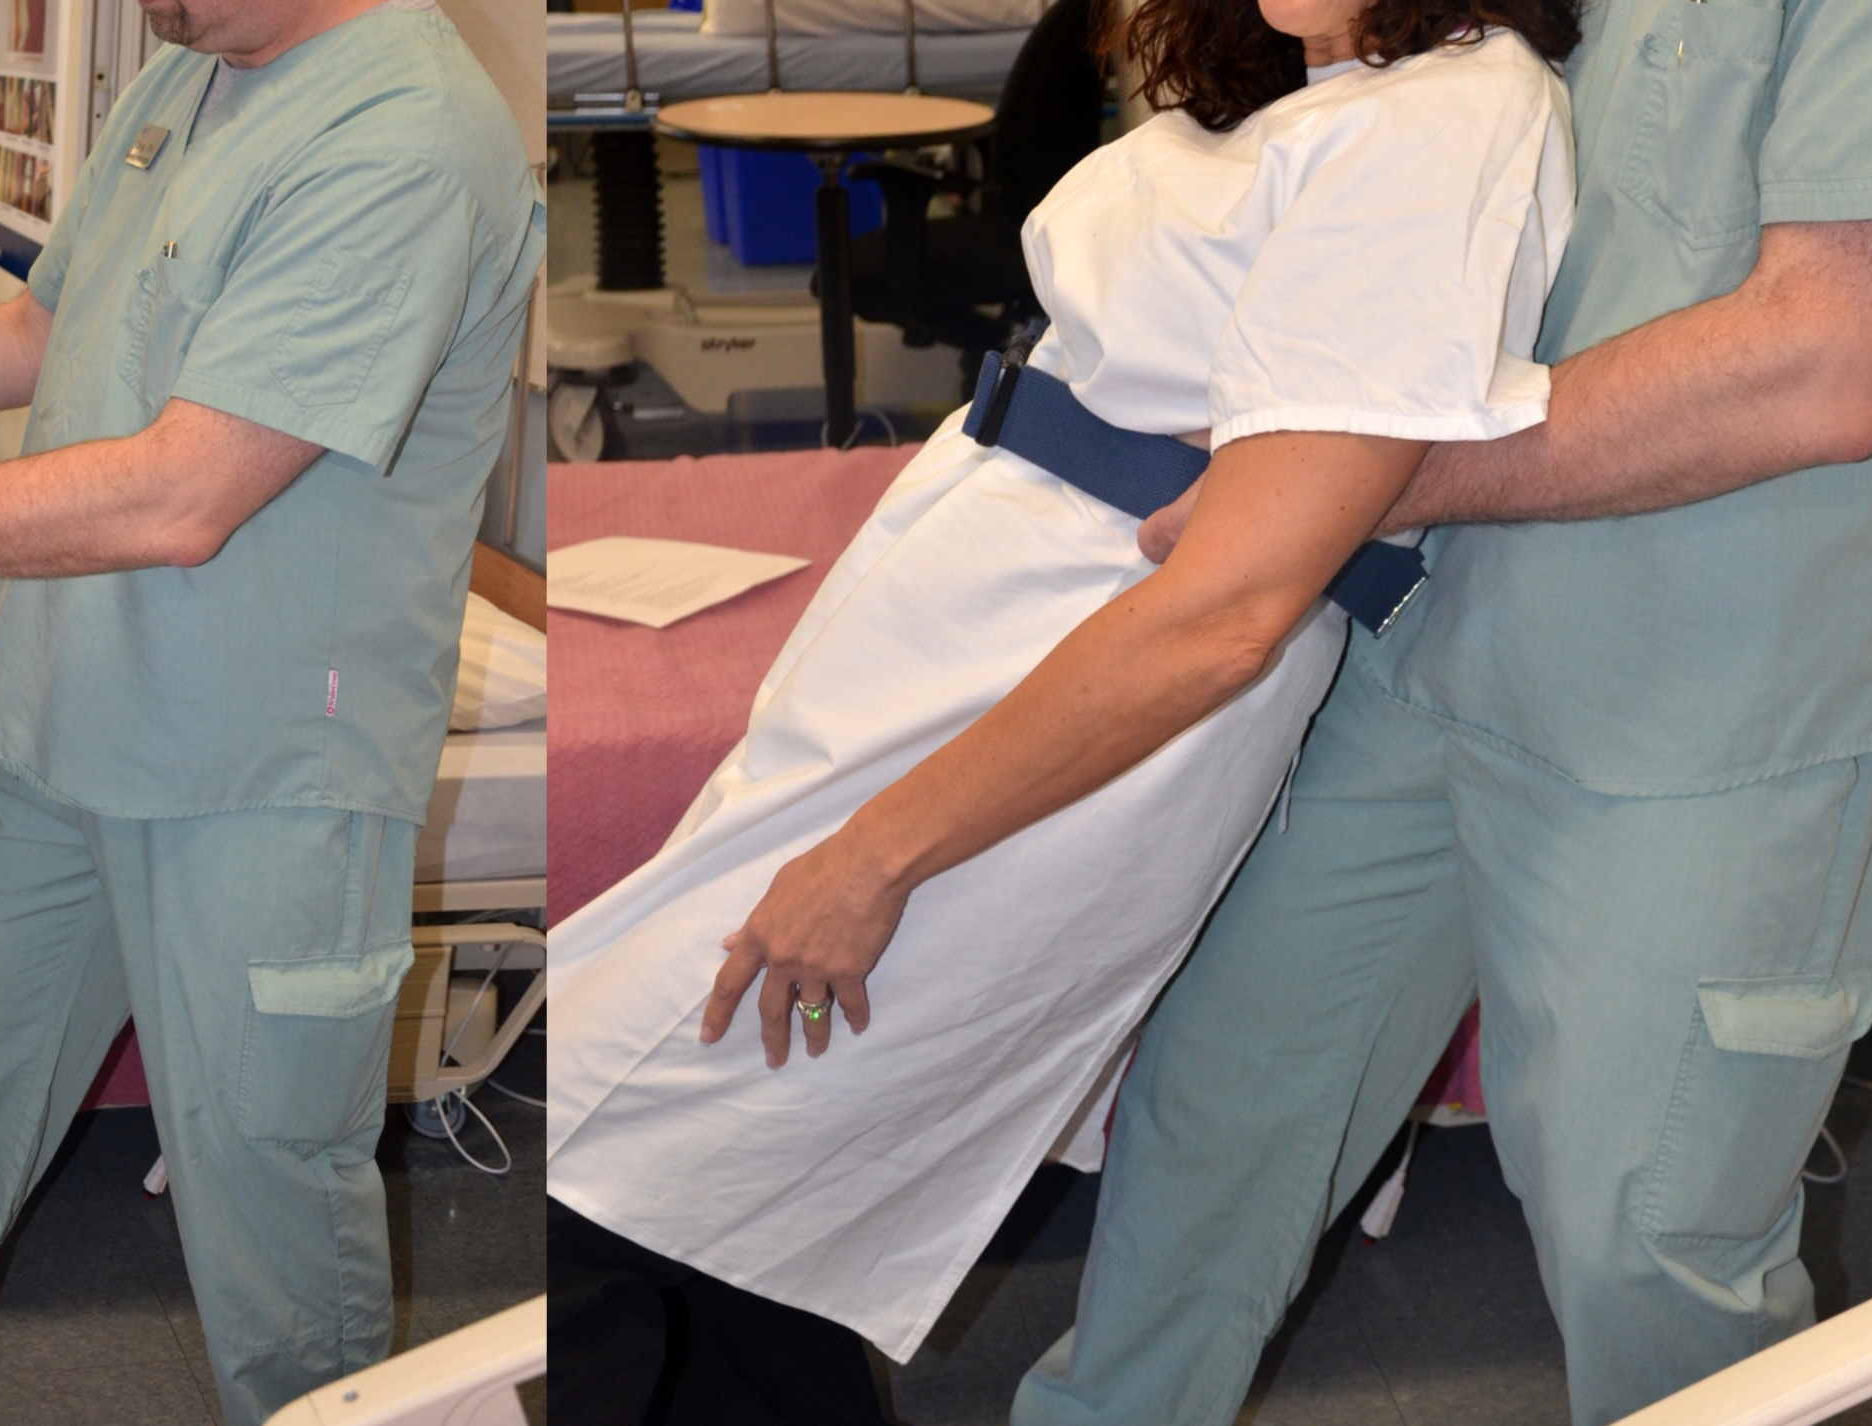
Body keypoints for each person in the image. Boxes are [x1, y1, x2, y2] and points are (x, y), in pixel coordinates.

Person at [546, 0, 1582, 1415]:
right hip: (950, 655)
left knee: (631, 1150)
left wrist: (879, 850)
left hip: (1057, 716)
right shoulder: (1327, 87)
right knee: (713, 1209)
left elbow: (1228, 612)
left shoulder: (1458, 112)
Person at [1011, 2, 1872, 1423]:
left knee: (1641, 1244)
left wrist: (1347, 484)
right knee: (1211, 1121)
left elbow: (1828, 361)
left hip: (1720, 694)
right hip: (1432, 629)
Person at [0, 0, 538, 1420]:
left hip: (258, 771)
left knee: (269, 1210)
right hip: (65, 722)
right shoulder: (191, 74)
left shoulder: (406, 135)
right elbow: (32, 335)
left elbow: (184, 494)